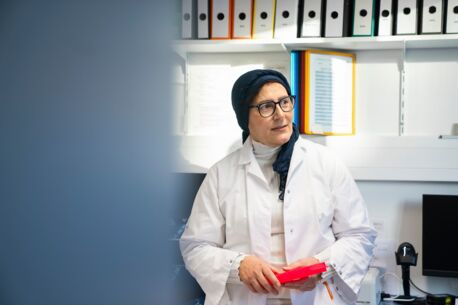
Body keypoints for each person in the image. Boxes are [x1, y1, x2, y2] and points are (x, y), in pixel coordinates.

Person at [180, 69, 377, 305]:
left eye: (285, 102)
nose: (281, 115)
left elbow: (359, 235)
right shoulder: (221, 174)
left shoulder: (326, 164)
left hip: (314, 298)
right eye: (266, 106)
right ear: (244, 117)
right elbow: (196, 246)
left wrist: (321, 265)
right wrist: (238, 266)